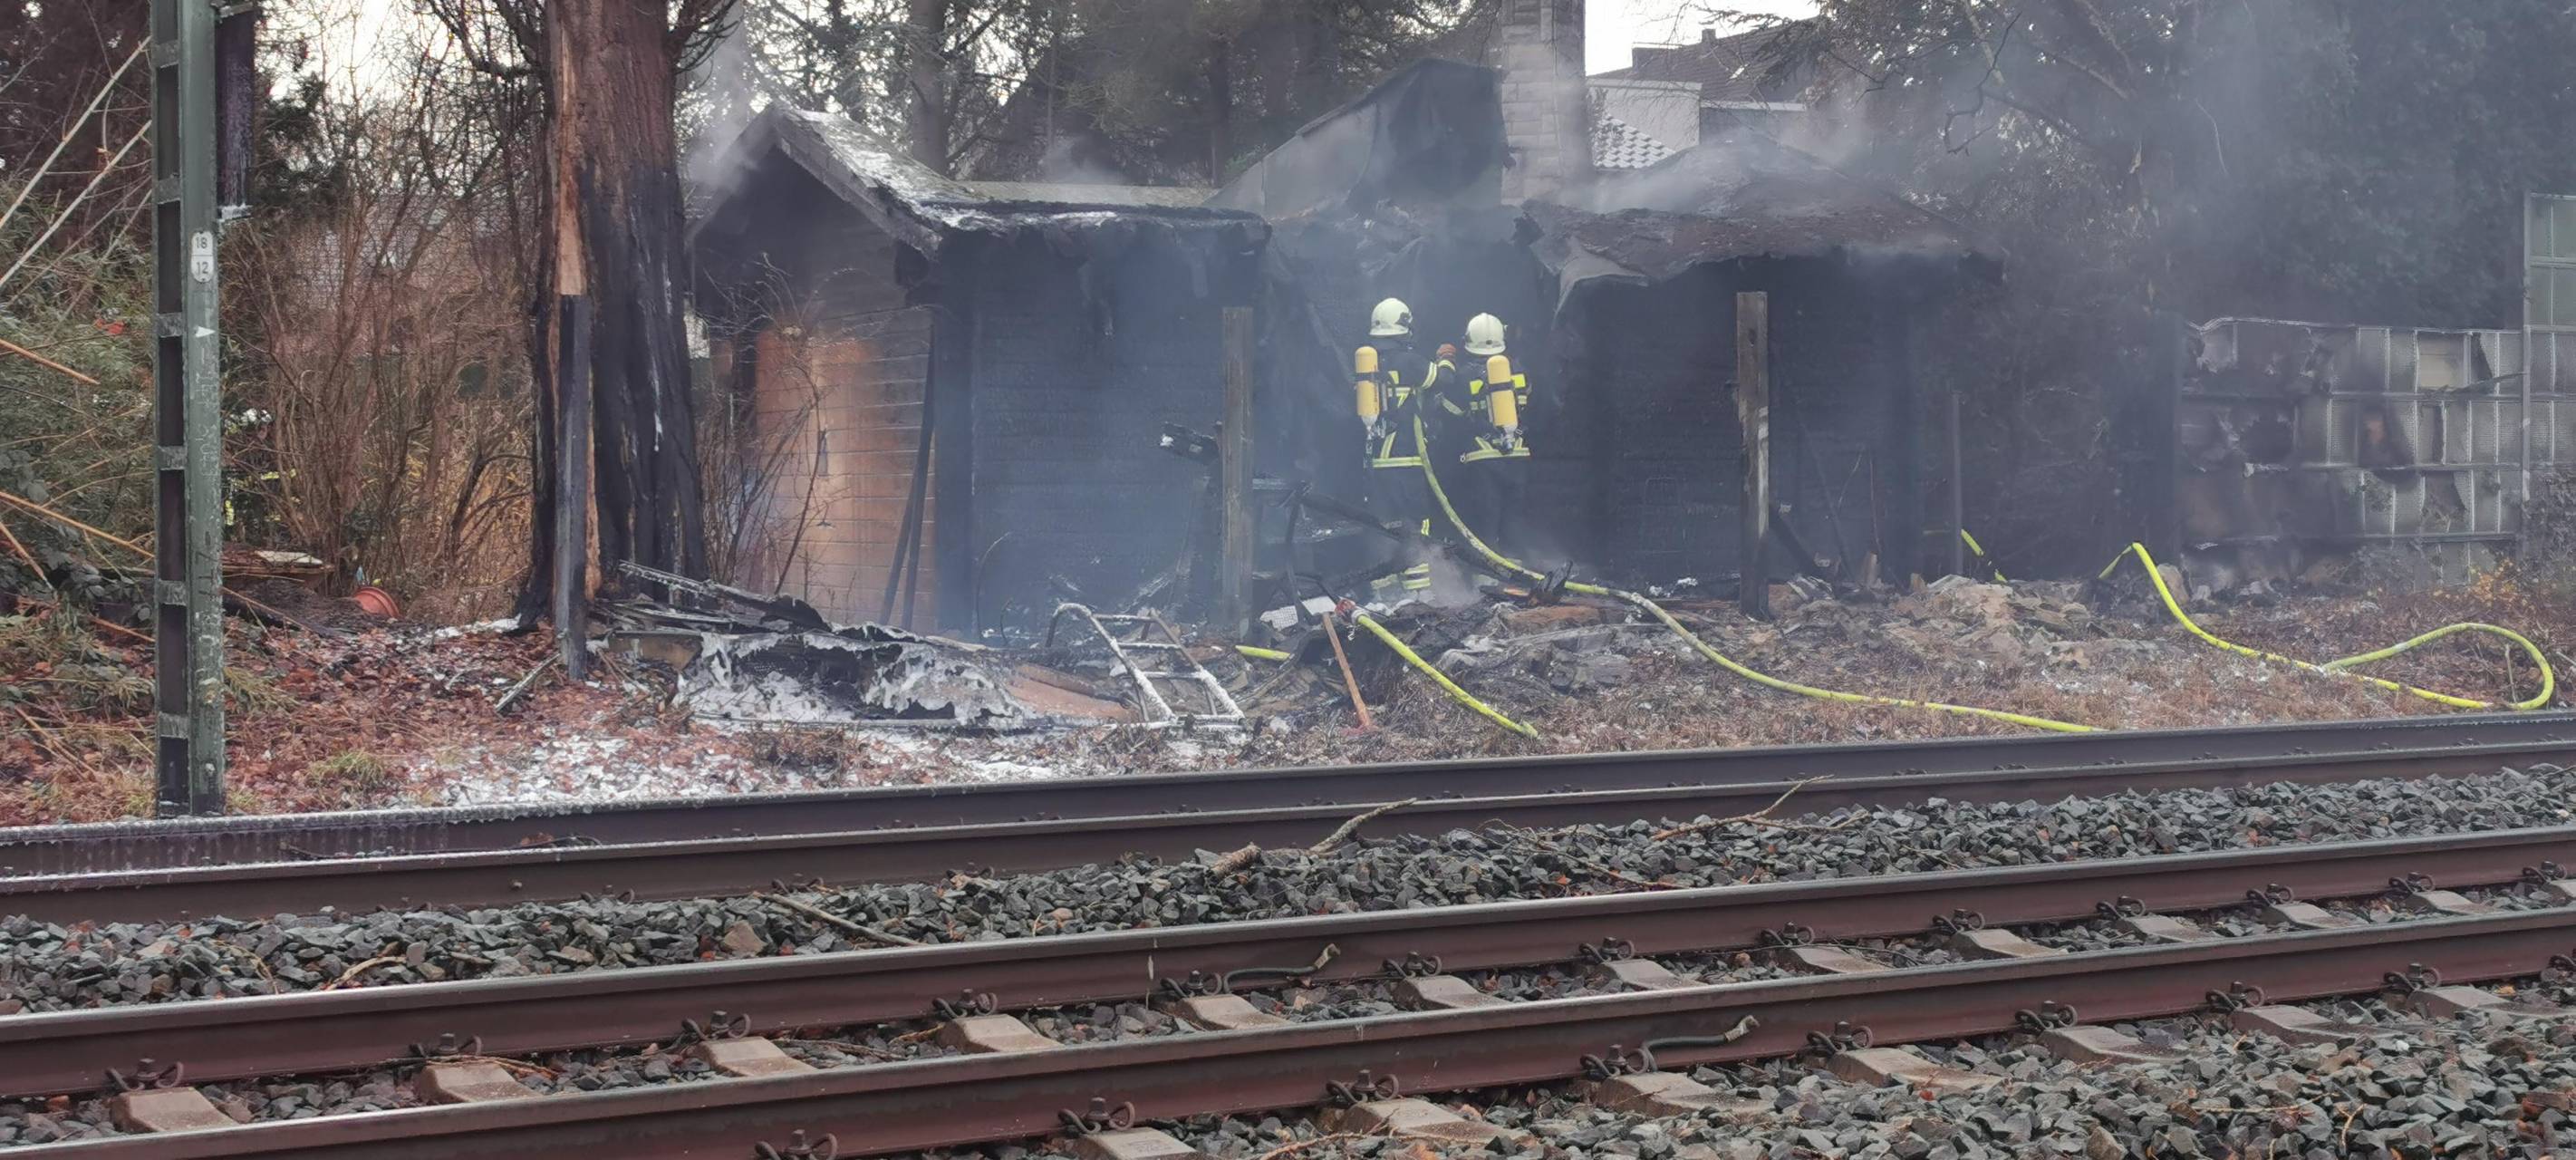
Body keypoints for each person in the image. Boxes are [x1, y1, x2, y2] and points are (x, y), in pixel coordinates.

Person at [1354, 297, 1452, 599]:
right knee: (1415, 526)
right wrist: (1447, 357)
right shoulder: (1409, 361)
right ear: (1403, 327)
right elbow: (1444, 380)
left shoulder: (1367, 364)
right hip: (1406, 461)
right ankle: (1418, 595)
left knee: (1384, 528)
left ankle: (1385, 595)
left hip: (1375, 463)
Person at [1423, 312, 1530, 554]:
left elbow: (1451, 415)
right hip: (1518, 455)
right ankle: (1517, 576)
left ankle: (1487, 575)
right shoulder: (1520, 370)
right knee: (1513, 521)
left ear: (1469, 341)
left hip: (1483, 459)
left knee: (1485, 523)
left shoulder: (1463, 376)